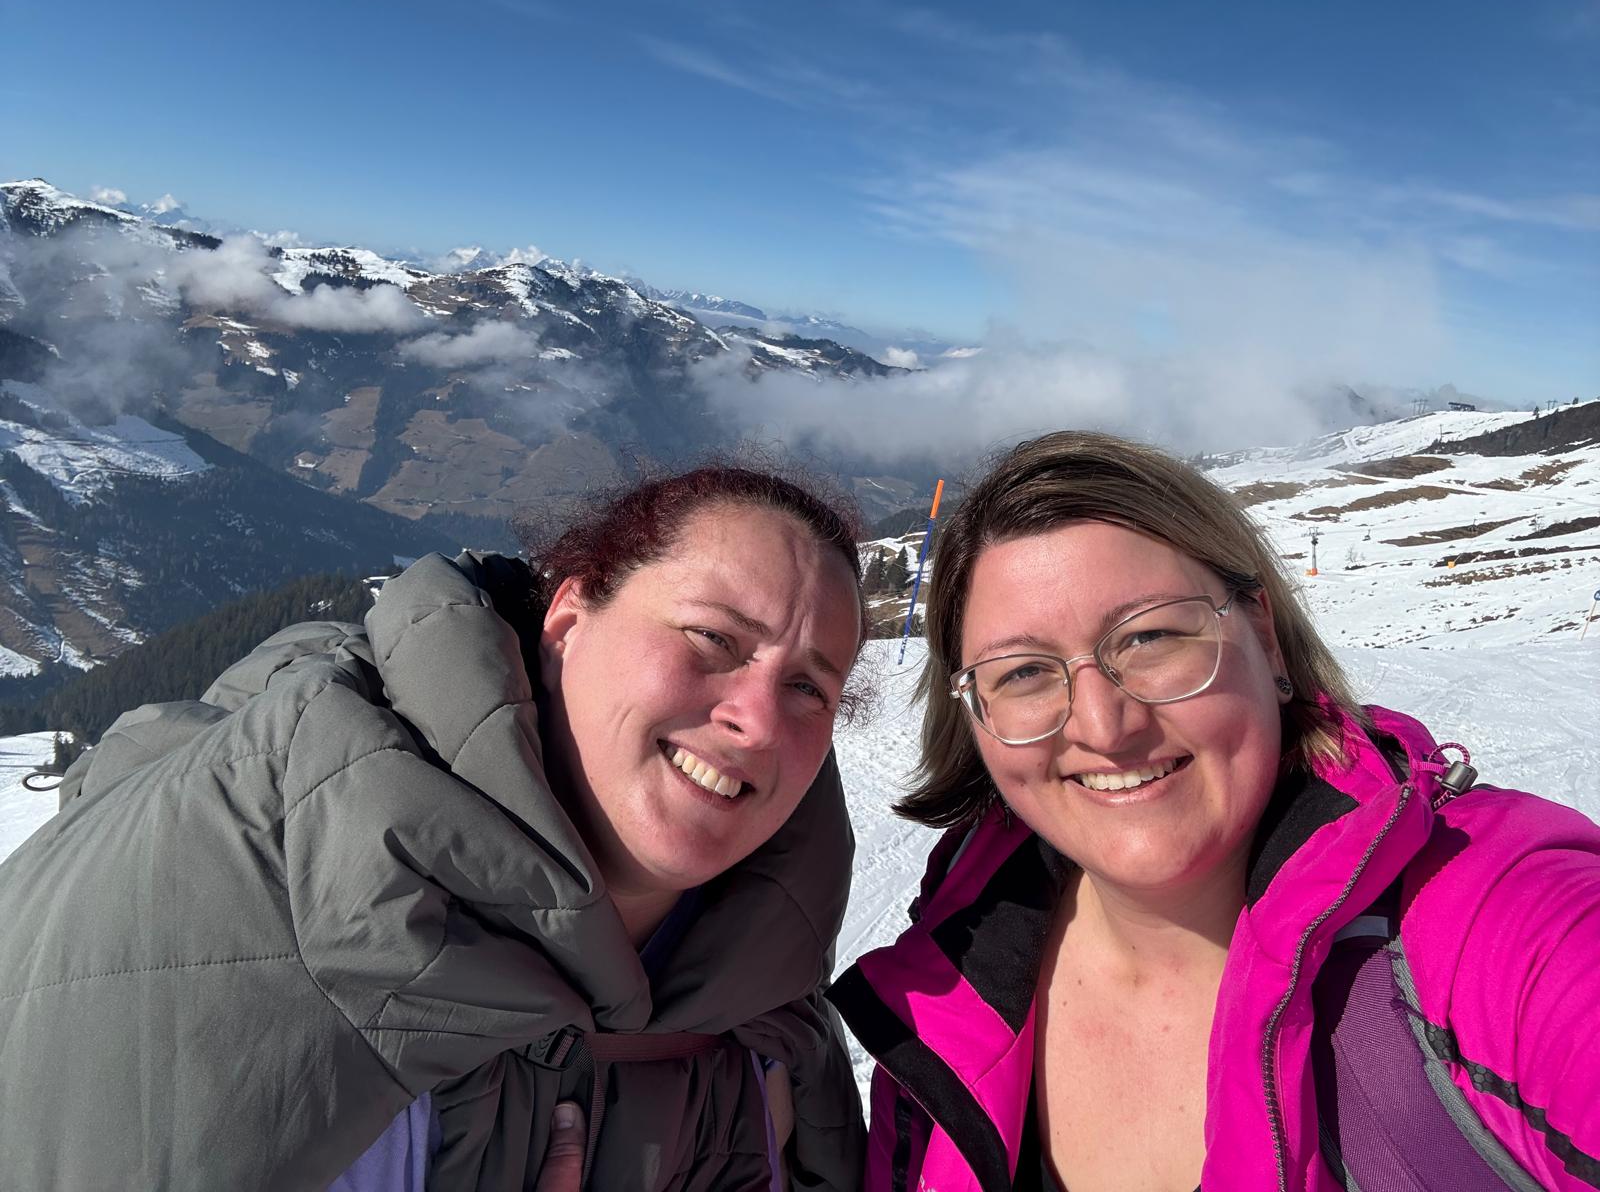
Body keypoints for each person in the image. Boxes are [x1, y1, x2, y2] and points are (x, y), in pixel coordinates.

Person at [0, 465, 870, 1190]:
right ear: (568, 622)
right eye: (713, 638)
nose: (759, 721)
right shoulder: (247, 900)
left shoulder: (770, 1029)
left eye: (809, 686)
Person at [828, 431, 1600, 1192]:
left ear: (1264, 638)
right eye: (1024, 672)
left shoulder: (1492, 928)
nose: (1104, 728)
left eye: (1150, 637)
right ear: (974, 715)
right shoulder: (946, 976)